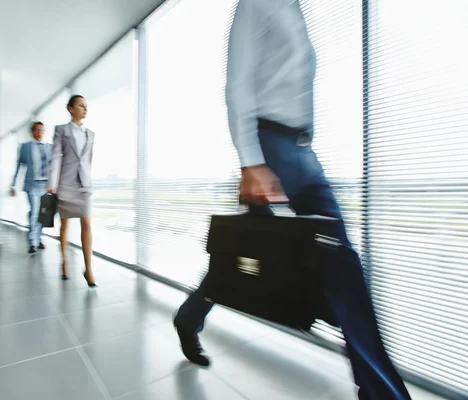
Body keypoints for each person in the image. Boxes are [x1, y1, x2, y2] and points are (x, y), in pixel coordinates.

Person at [172, 1, 412, 399]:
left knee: (243, 256)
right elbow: (238, 82)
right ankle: (381, 392)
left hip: (300, 147)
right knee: (342, 266)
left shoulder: (294, 8)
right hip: (272, 147)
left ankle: (189, 316)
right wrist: (251, 160)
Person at [47, 95, 97, 287]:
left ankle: (89, 269)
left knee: (87, 222)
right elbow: (56, 156)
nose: (85, 108)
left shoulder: (90, 134)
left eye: (86, 106)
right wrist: (53, 182)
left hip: (83, 184)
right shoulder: (61, 130)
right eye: (81, 105)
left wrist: (88, 178)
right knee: (65, 225)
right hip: (65, 183)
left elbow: (88, 160)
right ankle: (64, 261)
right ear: (70, 108)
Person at [11, 121, 52, 254]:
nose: (40, 132)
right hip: (32, 185)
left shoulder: (49, 147)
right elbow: (19, 165)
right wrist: (13, 184)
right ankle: (32, 242)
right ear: (32, 132)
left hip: (45, 185)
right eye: (38, 130)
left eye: (42, 130)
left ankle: (38, 238)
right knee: (34, 212)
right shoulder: (25, 147)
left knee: (43, 214)